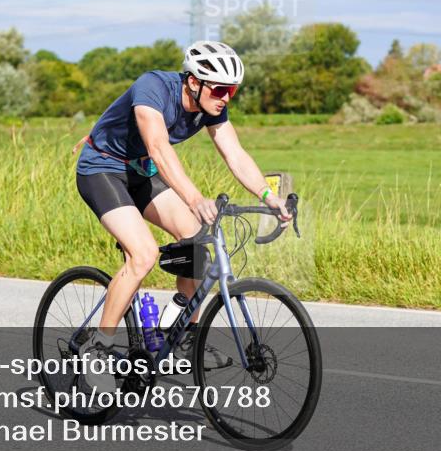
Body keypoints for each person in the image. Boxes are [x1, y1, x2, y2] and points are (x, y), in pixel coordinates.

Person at [73, 41, 292, 392]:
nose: (225, 98)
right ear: (193, 82)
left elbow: (235, 155)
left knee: (195, 237)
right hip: (101, 170)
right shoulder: (153, 88)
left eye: (231, 91)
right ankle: (97, 347)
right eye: (220, 89)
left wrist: (269, 197)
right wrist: (194, 197)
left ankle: (183, 332)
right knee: (142, 255)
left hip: (140, 173)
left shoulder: (211, 108)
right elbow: (159, 148)